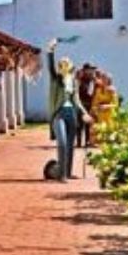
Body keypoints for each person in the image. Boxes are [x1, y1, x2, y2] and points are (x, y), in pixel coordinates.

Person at [46, 39, 91, 181]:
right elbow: (50, 67)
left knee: (71, 144)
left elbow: (76, 100)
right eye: (62, 63)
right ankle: (61, 174)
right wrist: (51, 50)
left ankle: (68, 172)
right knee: (63, 143)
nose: (64, 65)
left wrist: (84, 113)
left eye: (67, 63)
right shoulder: (56, 79)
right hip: (58, 114)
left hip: (71, 113)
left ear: (71, 67)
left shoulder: (73, 82)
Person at [89, 71, 119, 146]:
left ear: (109, 80)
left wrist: (107, 106)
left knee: (110, 133)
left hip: (110, 114)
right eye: (102, 78)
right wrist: (94, 109)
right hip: (100, 114)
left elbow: (116, 104)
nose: (103, 80)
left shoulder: (112, 90)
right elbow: (94, 103)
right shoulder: (98, 90)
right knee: (100, 132)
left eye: (105, 78)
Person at [75, 62, 97, 148]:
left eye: (92, 69)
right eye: (90, 69)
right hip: (81, 104)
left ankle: (87, 141)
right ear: (85, 70)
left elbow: (92, 92)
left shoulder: (91, 80)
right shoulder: (80, 79)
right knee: (79, 124)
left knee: (88, 124)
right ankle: (79, 142)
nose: (91, 71)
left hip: (89, 104)